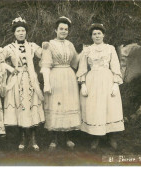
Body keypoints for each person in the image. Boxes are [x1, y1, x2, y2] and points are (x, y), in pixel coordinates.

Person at [77, 23, 125, 149]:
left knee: (110, 107)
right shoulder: (87, 50)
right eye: (94, 34)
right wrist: (83, 85)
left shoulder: (110, 48)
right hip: (92, 81)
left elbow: (115, 66)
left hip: (107, 80)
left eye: (99, 33)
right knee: (95, 108)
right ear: (91, 36)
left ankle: (111, 136)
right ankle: (95, 137)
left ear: (103, 35)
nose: (97, 36)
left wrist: (115, 84)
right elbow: (82, 68)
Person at [1, 17, 45, 151]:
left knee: (32, 107)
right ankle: (22, 139)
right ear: (14, 33)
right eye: (18, 31)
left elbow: (43, 54)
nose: (21, 33)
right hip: (16, 80)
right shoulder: (9, 47)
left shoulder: (31, 46)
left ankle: (33, 139)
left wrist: (46, 47)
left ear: (26, 32)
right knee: (20, 108)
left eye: (23, 30)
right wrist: (10, 69)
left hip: (30, 80)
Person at [40, 16, 81, 150]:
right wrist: (46, 83)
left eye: (66, 29)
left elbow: (75, 62)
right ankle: (54, 138)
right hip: (55, 76)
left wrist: (86, 51)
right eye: (61, 29)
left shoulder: (70, 44)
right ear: (55, 30)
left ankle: (68, 137)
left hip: (69, 77)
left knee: (68, 105)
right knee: (56, 105)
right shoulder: (49, 45)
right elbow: (45, 65)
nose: (63, 31)